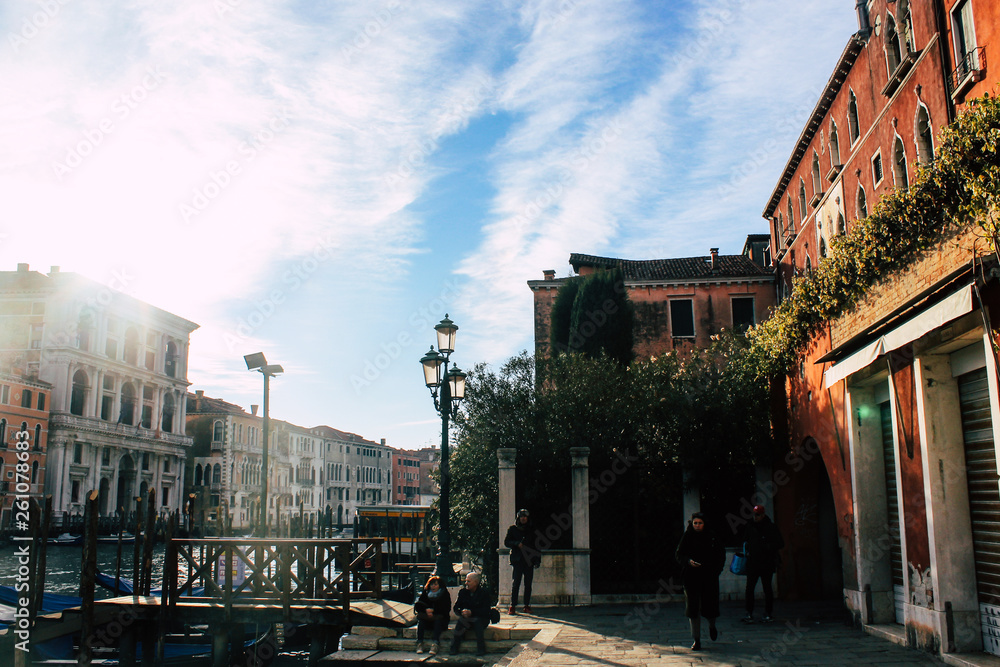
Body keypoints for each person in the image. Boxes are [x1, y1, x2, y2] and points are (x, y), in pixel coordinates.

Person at [675, 512, 726, 651]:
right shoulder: (688, 536)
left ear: (705, 524)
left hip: (708, 576)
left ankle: (712, 626)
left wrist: (716, 570)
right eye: (695, 523)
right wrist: (688, 562)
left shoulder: (712, 536)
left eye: (700, 523)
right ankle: (696, 639)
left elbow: (721, 555)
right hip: (691, 577)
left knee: (710, 606)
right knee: (692, 608)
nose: (697, 526)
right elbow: (679, 554)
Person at [742, 504, 785, 623]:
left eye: (758, 515)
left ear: (762, 515)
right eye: (755, 514)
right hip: (754, 562)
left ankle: (767, 612)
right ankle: (749, 612)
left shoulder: (770, 527)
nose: (756, 517)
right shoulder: (750, 526)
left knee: (766, 588)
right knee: (750, 588)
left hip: (766, 562)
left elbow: (780, 543)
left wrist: (768, 547)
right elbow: (745, 540)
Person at [504, 508, 541, 614]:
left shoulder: (532, 530)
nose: (523, 519)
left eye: (525, 517)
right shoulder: (512, 529)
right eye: (521, 517)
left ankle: (527, 606)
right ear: (518, 518)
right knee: (516, 583)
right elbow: (507, 542)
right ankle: (513, 606)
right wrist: (516, 544)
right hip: (517, 560)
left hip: (529, 560)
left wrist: (537, 560)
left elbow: (537, 546)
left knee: (528, 584)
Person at [450, 571, 493, 656]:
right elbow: (456, 608)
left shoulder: (484, 593)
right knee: (460, 622)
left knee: (477, 621)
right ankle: (454, 648)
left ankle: (481, 649)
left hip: (481, 619)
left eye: (468, 581)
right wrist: (462, 612)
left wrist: (472, 612)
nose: (466, 583)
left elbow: (486, 610)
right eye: (466, 581)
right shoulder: (463, 592)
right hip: (467, 618)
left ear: (476, 582)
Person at [413, 575, 450, 655]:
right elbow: (418, 606)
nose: (433, 586)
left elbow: (446, 609)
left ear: (439, 585)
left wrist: (434, 611)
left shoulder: (444, 594)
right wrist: (426, 610)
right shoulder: (425, 593)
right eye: (431, 584)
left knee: (438, 621)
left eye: (435, 584)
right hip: (427, 619)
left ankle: (435, 644)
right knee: (421, 622)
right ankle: (419, 643)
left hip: (440, 619)